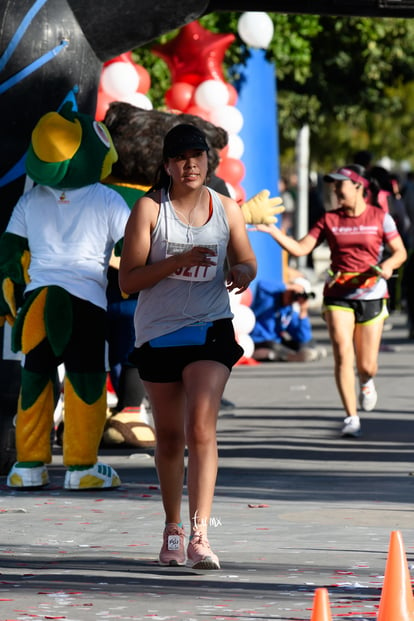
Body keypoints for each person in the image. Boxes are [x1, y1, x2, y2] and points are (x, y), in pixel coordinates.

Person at [119, 123, 256, 569]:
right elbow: (127, 281)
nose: (190, 163)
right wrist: (178, 260)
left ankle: (200, 536)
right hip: (159, 333)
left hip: (210, 328)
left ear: (208, 161)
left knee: (201, 427)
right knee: (171, 436)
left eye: (197, 155)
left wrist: (244, 272)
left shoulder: (226, 208)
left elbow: (247, 258)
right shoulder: (148, 209)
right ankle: (172, 528)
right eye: (180, 157)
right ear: (167, 166)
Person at [0, 103, 131, 489]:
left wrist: (8, 290)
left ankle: (28, 465)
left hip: (37, 303)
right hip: (85, 302)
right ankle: (80, 466)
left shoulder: (31, 199)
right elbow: (133, 246)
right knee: (85, 384)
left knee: (35, 382)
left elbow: (8, 254)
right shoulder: (106, 199)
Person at [253, 164, 407, 438]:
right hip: (338, 293)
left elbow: (400, 252)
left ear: (359, 186)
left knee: (367, 365)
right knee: (341, 352)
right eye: (333, 185)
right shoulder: (329, 219)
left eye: (341, 184)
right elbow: (301, 248)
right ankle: (351, 416)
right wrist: (273, 232)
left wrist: (387, 265)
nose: (335, 190)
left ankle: (367, 382)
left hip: (371, 292)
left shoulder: (380, 217)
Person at [251, 277, 325, 362]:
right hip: (258, 340)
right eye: (292, 293)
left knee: (307, 343)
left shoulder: (289, 312)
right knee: (273, 345)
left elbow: (303, 337)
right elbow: (261, 285)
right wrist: (290, 287)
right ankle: (292, 356)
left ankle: (305, 353)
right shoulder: (268, 299)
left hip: (276, 341)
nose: (292, 298)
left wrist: (303, 312)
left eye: (296, 296)